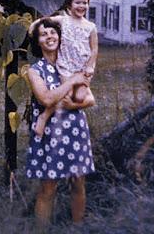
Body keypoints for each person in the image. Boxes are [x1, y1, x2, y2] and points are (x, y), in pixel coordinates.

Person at [26, 17, 95, 229]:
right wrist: (72, 82)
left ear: (60, 36)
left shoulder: (72, 62)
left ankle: (77, 228)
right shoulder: (34, 70)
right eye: (44, 34)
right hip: (49, 133)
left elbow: (90, 99)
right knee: (48, 188)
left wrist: (70, 105)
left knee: (77, 184)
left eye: (53, 32)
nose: (50, 37)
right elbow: (46, 98)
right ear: (38, 41)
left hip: (74, 130)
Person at [30, 0, 98, 137]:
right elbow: (45, 20)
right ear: (69, 4)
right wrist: (34, 25)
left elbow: (94, 49)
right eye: (78, 3)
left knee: (80, 97)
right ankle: (45, 117)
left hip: (82, 69)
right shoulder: (63, 20)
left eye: (85, 3)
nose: (82, 6)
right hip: (66, 65)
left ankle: (67, 112)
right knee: (65, 93)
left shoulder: (90, 27)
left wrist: (89, 67)